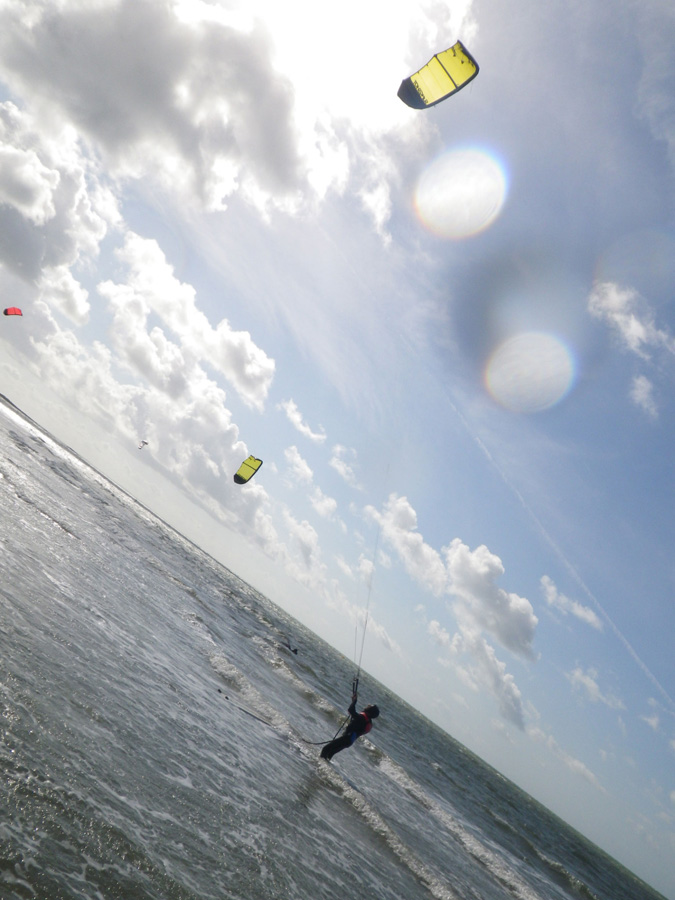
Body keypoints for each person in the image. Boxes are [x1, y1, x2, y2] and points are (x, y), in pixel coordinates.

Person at [320, 692, 379, 761]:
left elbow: (351, 710)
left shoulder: (362, 718)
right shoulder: (367, 721)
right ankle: (324, 767)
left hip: (346, 738)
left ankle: (318, 766)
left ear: (370, 711)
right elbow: (355, 717)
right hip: (349, 741)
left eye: (370, 706)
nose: (368, 705)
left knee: (326, 749)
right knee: (330, 754)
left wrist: (354, 701)